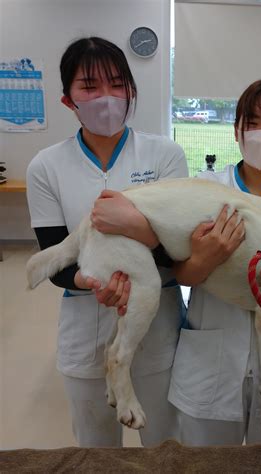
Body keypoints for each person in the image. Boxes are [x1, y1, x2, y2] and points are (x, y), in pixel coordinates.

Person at [92, 79, 261, 446]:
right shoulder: (206, 188)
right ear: (236, 130)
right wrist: (207, 258)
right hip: (213, 357)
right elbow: (183, 274)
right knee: (206, 461)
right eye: (253, 123)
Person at [26, 37, 188, 447]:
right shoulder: (46, 166)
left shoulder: (164, 155)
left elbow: (177, 251)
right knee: (96, 451)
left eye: (118, 85)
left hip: (156, 323)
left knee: (165, 444)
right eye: (90, 87)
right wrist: (90, 283)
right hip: (84, 322)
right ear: (68, 100)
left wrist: (135, 228)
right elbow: (57, 258)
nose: (107, 98)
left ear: (132, 91)